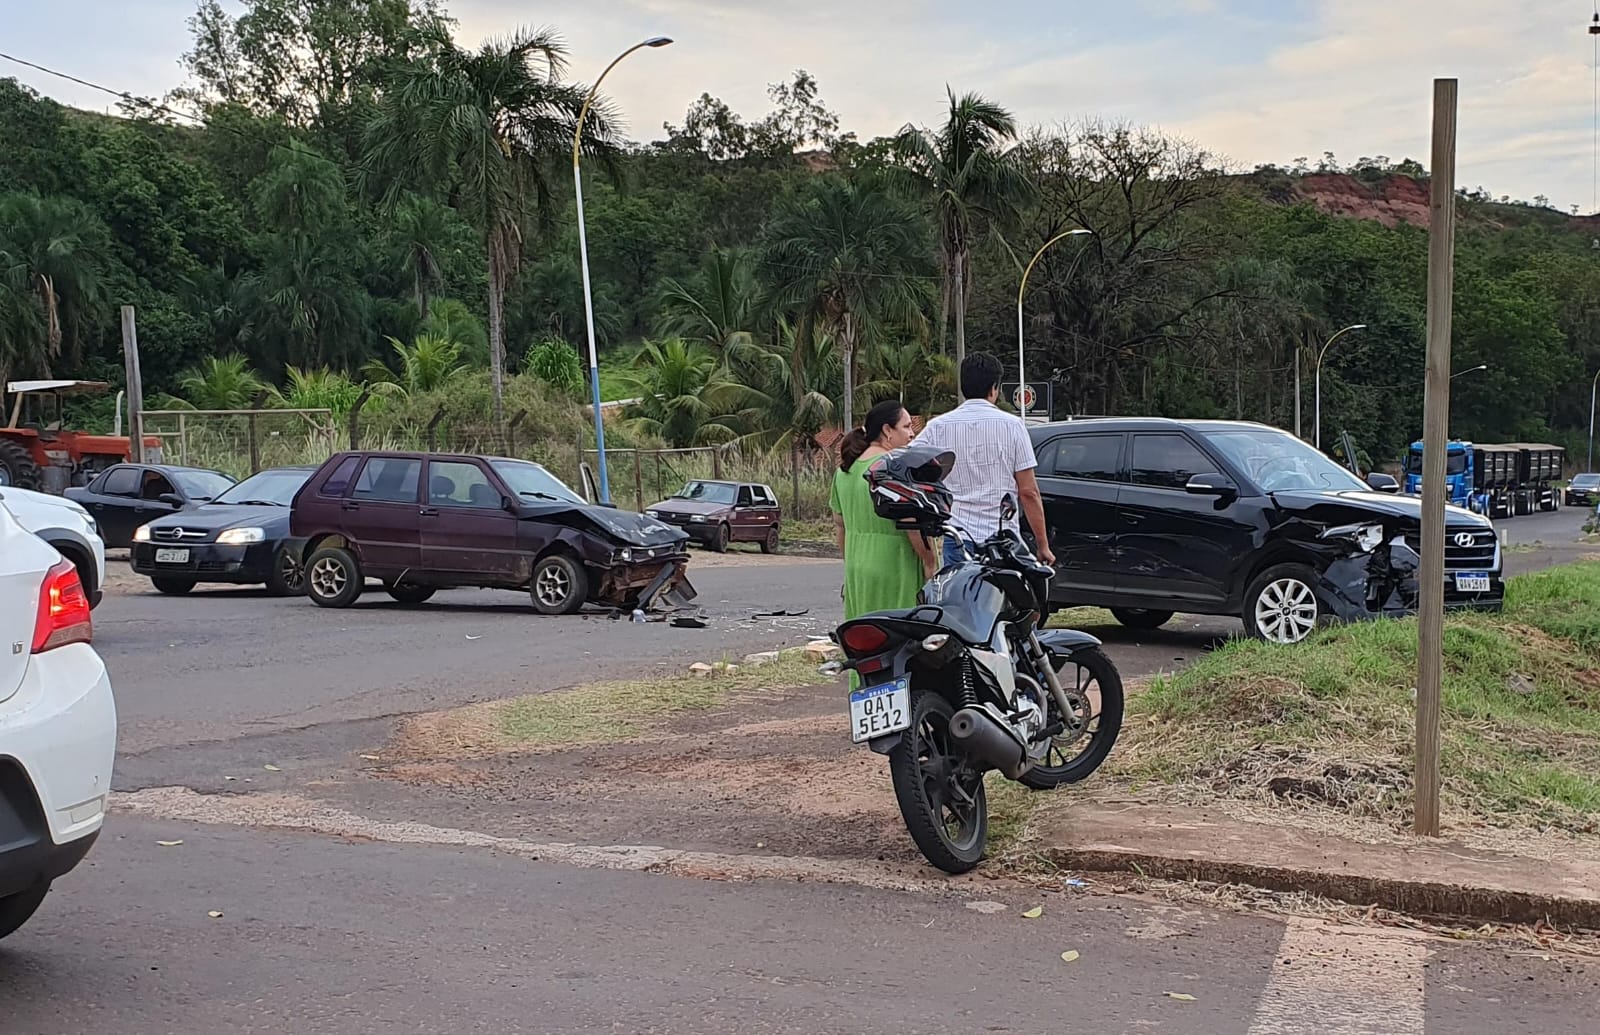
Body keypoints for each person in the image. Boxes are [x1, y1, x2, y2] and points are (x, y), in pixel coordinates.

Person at [914, 352, 1056, 570]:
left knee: (959, 601)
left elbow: (910, 465)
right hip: (1002, 539)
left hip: (958, 537)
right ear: (994, 388)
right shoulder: (1013, 426)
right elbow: (1028, 492)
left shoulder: (937, 427)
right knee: (1001, 601)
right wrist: (1042, 544)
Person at [830, 399, 939, 625]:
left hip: (857, 568)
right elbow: (911, 522)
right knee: (901, 640)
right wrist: (930, 563)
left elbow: (840, 525)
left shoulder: (844, 471)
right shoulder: (895, 468)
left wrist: (850, 562)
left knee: (864, 638)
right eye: (907, 426)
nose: (912, 434)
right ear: (887, 430)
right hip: (895, 565)